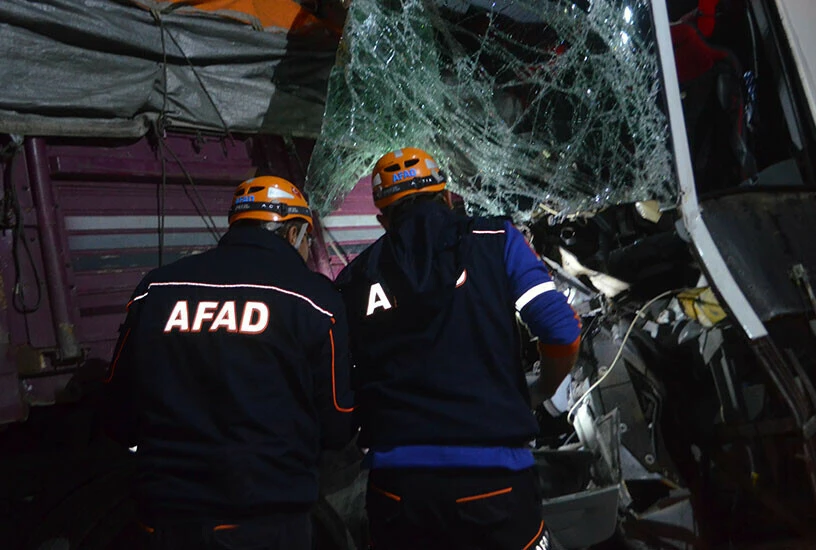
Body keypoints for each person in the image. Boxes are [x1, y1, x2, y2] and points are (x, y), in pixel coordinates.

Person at [335, 147, 581, 549]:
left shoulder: (353, 279)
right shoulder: (493, 239)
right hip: (494, 483)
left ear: (383, 218)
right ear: (447, 197)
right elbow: (561, 330)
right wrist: (539, 393)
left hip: (397, 493)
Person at [102, 176, 353, 549]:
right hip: (263, 520)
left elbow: (117, 412)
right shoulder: (313, 299)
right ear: (295, 232)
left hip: (164, 516)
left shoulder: (157, 289)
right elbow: (337, 423)